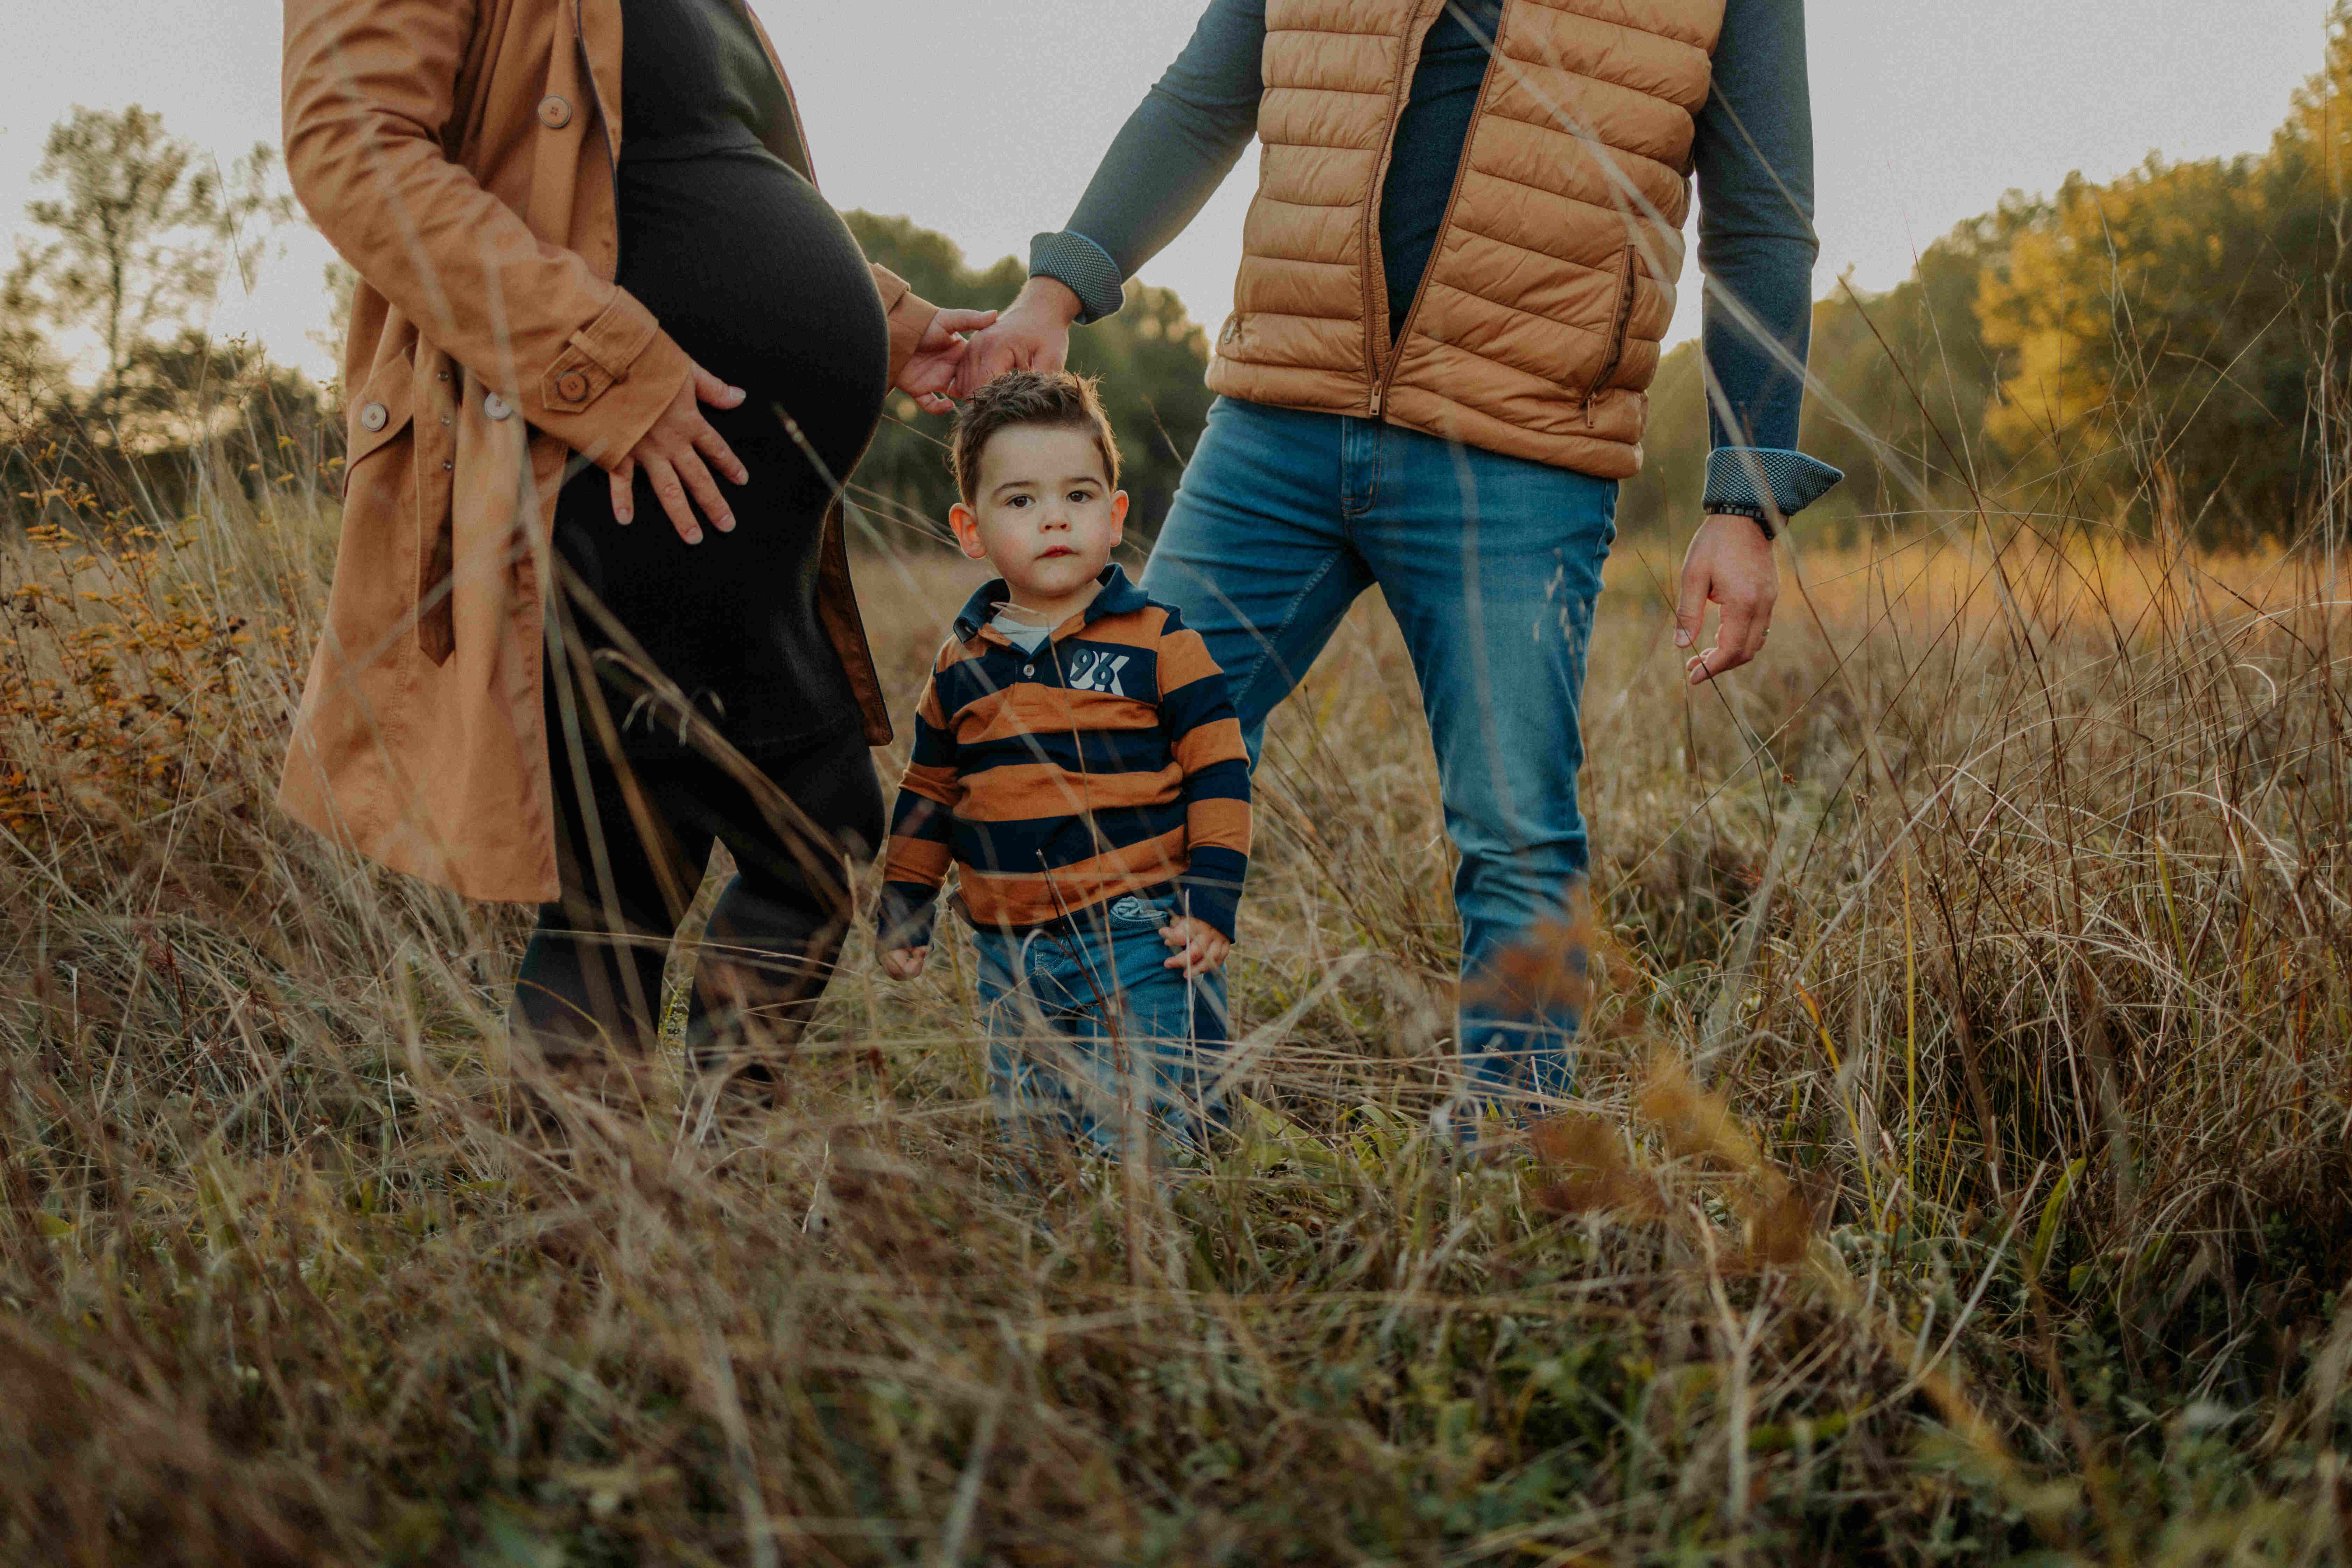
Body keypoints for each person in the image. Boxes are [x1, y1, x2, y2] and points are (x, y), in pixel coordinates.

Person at [959, 0, 1842, 1117]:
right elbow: (1200, 102)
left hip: (1524, 448)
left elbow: (1763, 218)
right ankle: (1145, 1147)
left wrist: (1745, 496)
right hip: (1276, 421)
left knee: (1516, 832)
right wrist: (1059, 287)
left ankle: (1510, 1173)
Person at [276, 0, 994, 1096]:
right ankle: (636, 1213)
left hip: (723, 495)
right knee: (755, 837)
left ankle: (643, 1220)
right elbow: (351, 145)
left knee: (666, 863)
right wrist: (605, 370)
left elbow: (694, 152)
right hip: (604, 466)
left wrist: (884, 320)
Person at [877, 372, 1252, 1156]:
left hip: (1140, 939)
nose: (1054, 518)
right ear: (970, 528)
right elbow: (930, 792)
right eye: (1020, 501)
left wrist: (1212, 896)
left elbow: (1220, 768)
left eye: (1078, 496)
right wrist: (906, 905)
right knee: (1033, 1149)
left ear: (1114, 517)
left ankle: (1152, 1248)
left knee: (1138, 1141)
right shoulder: (959, 666)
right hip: (1010, 956)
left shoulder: (1161, 642)